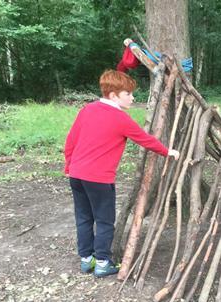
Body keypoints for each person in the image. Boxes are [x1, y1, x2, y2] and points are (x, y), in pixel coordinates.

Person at [64, 69, 179, 277]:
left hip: (77, 175)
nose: (133, 98)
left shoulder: (87, 110)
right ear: (113, 95)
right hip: (99, 178)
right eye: (128, 94)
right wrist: (167, 151)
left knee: (83, 217)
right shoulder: (120, 118)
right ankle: (102, 263)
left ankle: (86, 260)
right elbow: (145, 139)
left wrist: (69, 166)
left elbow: (71, 140)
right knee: (105, 219)